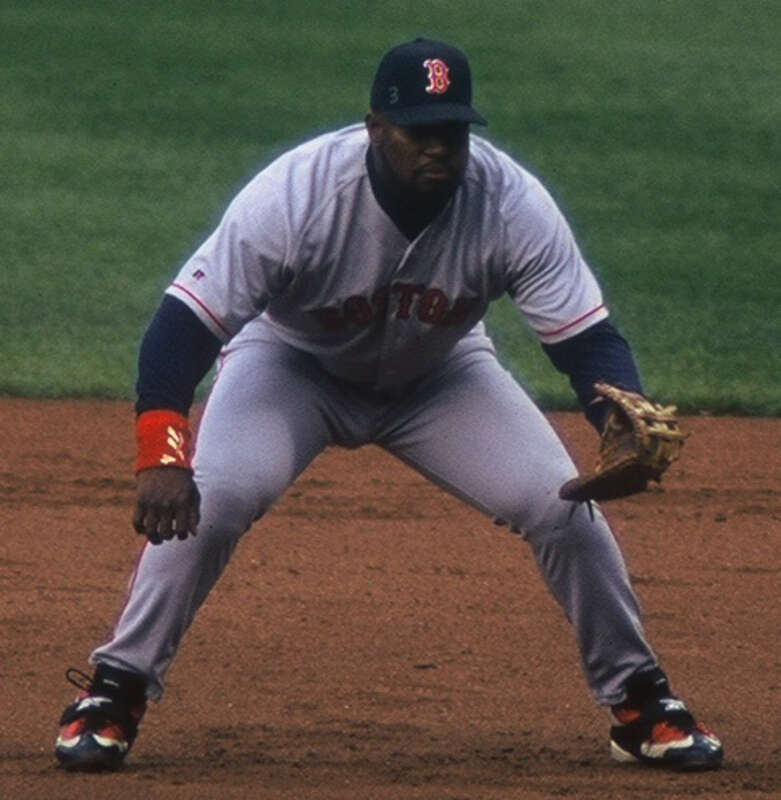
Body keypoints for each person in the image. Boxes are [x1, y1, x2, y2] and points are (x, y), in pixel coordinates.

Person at [55, 37, 723, 772]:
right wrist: (162, 451)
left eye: (454, 131)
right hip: (291, 366)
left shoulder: (509, 201)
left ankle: (638, 700)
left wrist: (613, 422)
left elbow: (586, 339)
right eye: (420, 131)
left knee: (561, 506)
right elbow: (183, 326)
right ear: (375, 127)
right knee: (214, 499)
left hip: (441, 375)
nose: (439, 148)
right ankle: (115, 690)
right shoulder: (295, 195)